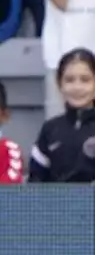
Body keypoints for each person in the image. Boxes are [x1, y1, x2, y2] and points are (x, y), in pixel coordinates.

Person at [31, 48, 96, 182]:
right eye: (69, 80)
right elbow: (35, 181)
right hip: (56, 202)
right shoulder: (50, 129)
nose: (77, 87)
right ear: (59, 84)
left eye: (85, 80)